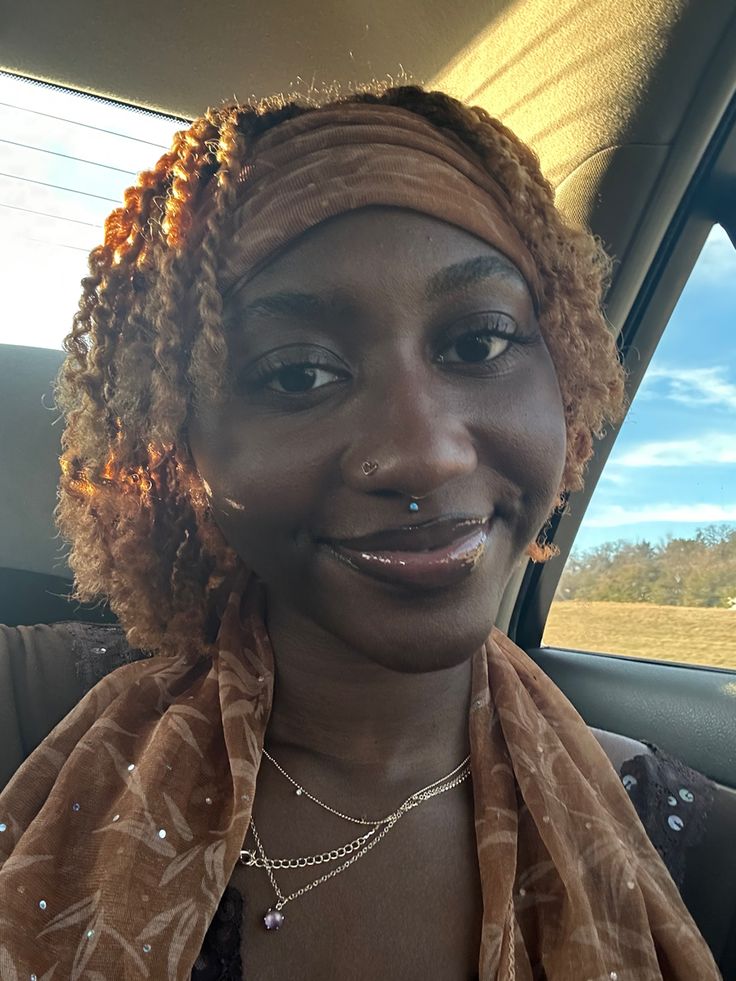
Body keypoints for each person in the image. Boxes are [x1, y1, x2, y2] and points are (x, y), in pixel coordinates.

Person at [0, 84, 725, 980]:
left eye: (479, 343)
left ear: (566, 376)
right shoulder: (33, 711)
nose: (423, 456)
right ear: (176, 440)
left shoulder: (689, 845)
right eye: (299, 372)